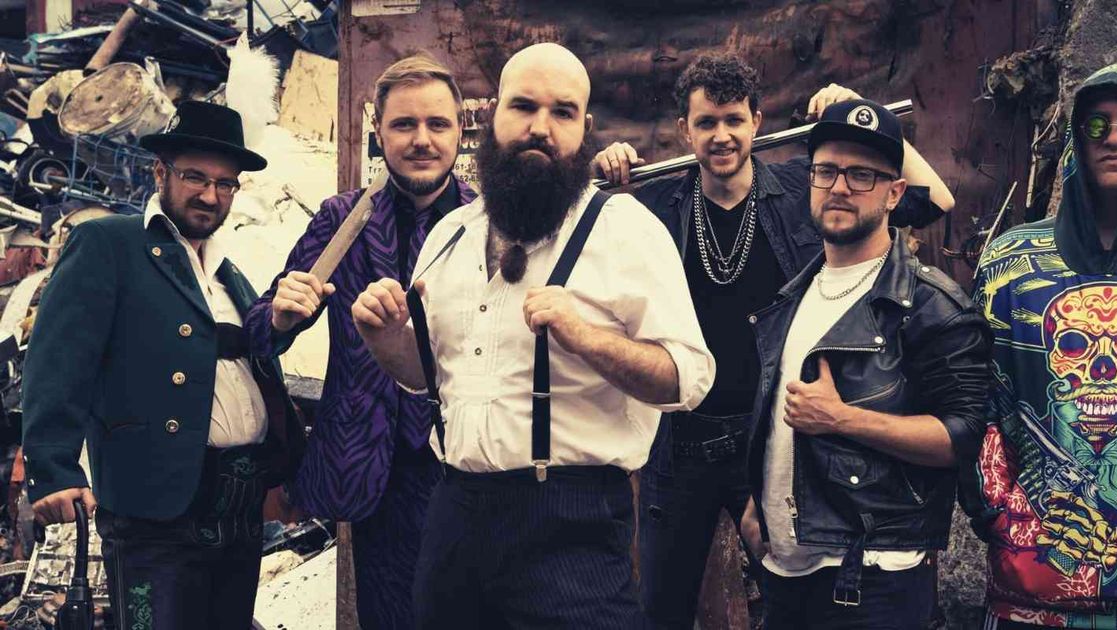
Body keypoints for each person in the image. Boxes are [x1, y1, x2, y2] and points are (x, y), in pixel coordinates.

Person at [351, 42, 715, 628]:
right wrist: (388, 340)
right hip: (453, 517)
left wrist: (586, 337)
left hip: (569, 522)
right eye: (523, 106)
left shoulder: (625, 230)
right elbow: (430, 377)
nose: (540, 128)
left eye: (562, 112)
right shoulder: (450, 235)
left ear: (585, 129)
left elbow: (687, 379)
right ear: (492, 115)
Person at [592, 53, 954, 628]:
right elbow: (577, 229)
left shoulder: (803, 189)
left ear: (757, 121)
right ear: (684, 130)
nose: (721, 135)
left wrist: (858, 110)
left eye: (734, 119)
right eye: (706, 122)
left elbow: (934, 201)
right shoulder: (653, 205)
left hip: (771, 443)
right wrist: (602, 167)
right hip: (679, 445)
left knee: (792, 601)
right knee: (660, 610)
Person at [21, 101, 306, 629]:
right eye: (195, 177)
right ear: (161, 172)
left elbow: (247, 362)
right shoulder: (110, 244)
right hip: (155, 509)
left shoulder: (230, 273)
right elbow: (58, 357)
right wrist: (52, 468)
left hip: (237, 510)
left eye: (225, 184)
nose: (210, 195)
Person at [242, 52, 476, 629]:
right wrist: (283, 317)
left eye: (437, 124)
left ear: (460, 129)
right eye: (404, 124)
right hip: (376, 468)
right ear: (378, 130)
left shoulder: (486, 223)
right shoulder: (343, 219)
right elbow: (261, 326)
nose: (421, 140)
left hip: (468, 468)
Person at [964, 63, 1117, 629]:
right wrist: (1008, 524)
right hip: (1031, 595)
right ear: (1075, 138)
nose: (1114, 138)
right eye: (1097, 125)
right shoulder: (1010, 265)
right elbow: (977, 406)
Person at [740, 98, 991, 628]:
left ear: (895, 193)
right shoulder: (792, 295)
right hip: (786, 573)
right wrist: (759, 501)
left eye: (861, 175)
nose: (839, 187)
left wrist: (842, 419)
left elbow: (963, 437)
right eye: (826, 171)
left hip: (873, 579)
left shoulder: (930, 305)